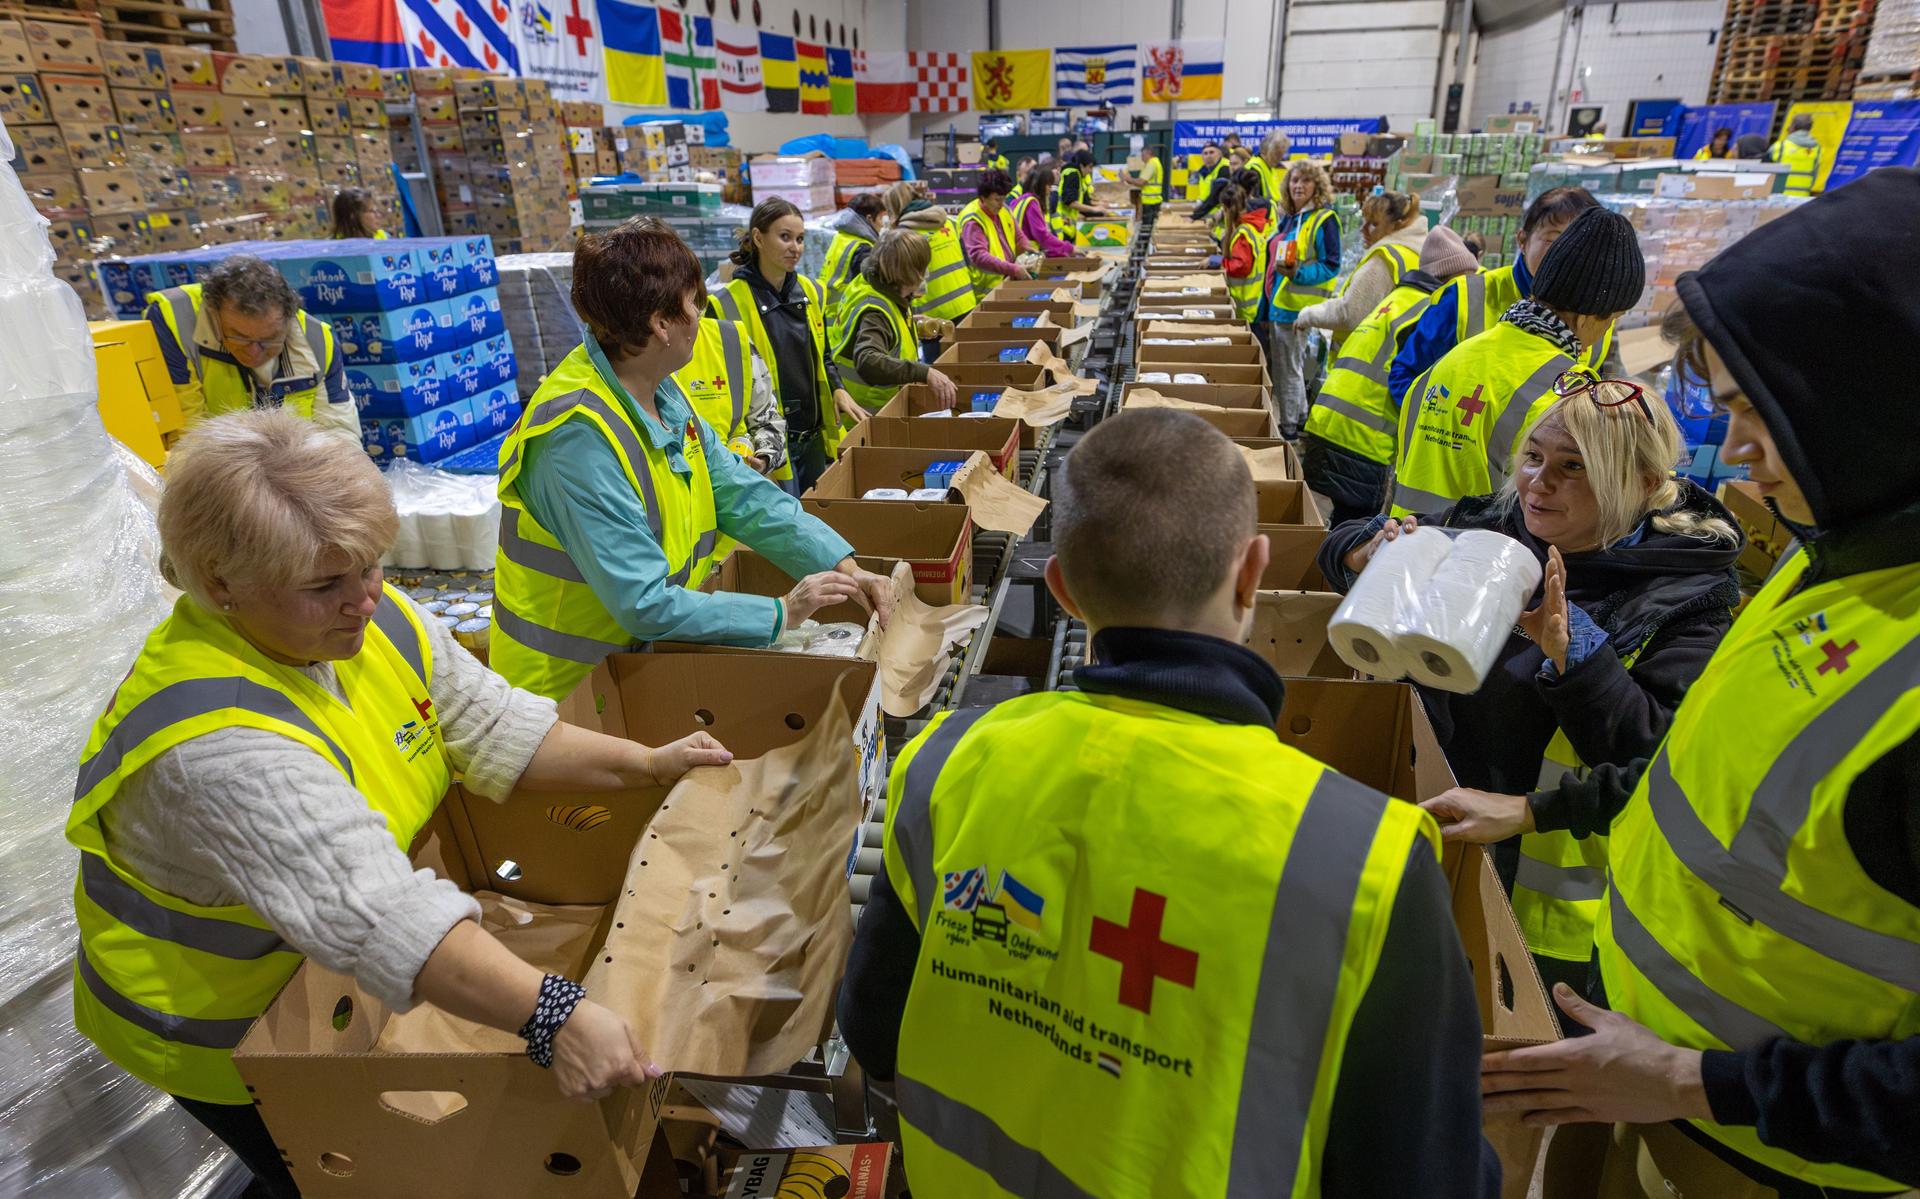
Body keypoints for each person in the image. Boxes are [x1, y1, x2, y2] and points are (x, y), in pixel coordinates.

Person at [70, 411, 737, 1198]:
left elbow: (490, 724)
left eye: (371, 567)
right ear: (222, 585)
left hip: (319, 969)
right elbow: (387, 917)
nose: (366, 598)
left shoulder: (357, 619)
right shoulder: (214, 749)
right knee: (328, 1170)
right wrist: (557, 1013)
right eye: (326, 585)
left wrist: (647, 762)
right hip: (227, 1022)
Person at [839, 408, 1498, 1199]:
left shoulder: (947, 760)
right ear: (1252, 572)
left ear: (1064, 591)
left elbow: (873, 1031)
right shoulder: (1369, 864)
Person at [1423, 167, 1920, 1199]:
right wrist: (1533, 805)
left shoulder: (1710, 586)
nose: (1736, 450)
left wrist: (1701, 1082)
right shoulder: (1833, 558)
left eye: (1763, 415)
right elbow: (1689, 766)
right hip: (1641, 1059)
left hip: (1769, 1147)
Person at [1323, 385, 1740, 999]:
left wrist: (1575, 650)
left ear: (1644, 482)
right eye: (1533, 457)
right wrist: (1360, 549)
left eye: (1574, 467)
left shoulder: (1688, 599)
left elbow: (1653, 755)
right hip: (1437, 820)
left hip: (1546, 895)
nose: (1538, 483)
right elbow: (1356, 549)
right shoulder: (1491, 528)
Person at [494, 218, 893, 702]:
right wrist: (780, 614)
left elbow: (739, 492)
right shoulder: (576, 436)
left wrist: (847, 568)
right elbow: (643, 601)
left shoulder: (657, 390)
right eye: (694, 303)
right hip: (566, 692)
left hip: (637, 666)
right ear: (660, 324)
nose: (702, 318)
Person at [1392, 206, 1645, 518]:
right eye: (1614, 319)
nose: (1608, 330)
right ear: (1590, 316)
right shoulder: (1568, 389)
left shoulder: (1455, 358)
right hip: (1487, 561)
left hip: (1401, 548)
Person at [1301, 226, 1479, 524]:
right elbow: (1406, 384)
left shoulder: (1396, 300)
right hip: (1363, 439)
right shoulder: (1430, 312)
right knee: (1357, 535)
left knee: (1342, 526)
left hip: (1326, 423)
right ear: (1452, 277)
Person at [1389, 186, 1610, 406]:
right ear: (1522, 240)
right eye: (1554, 240)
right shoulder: (1467, 297)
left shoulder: (1600, 319)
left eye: (1582, 244)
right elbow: (1407, 376)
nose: (1568, 253)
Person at [709, 198, 861, 491]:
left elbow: (824, 354)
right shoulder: (724, 304)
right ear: (758, 238)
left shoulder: (813, 292)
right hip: (767, 445)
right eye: (785, 237)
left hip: (813, 438)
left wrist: (838, 388)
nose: (796, 247)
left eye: (800, 239)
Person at [144, 254, 355, 444]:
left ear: (289, 321)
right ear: (214, 315)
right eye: (240, 338)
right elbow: (186, 435)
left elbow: (339, 431)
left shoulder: (317, 339)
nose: (254, 352)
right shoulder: (174, 320)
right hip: (212, 463)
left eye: (270, 340)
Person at [833, 229, 959, 414]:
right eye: (922, 267)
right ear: (909, 273)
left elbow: (884, 331)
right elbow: (867, 360)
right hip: (868, 413)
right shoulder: (875, 311)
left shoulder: (873, 283)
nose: (925, 273)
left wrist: (910, 324)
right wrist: (925, 372)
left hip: (877, 409)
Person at [1263, 158, 1343, 438]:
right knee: (1289, 368)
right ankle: (1299, 422)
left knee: (1288, 371)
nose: (1298, 185)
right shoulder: (1292, 217)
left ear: (1317, 185)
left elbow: (1332, 265)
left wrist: (1298, 274)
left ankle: (1289, 430)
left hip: (1299, 308)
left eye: (1305, 181)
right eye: (1294, 180)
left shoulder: (1324, 219)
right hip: (1280, 304)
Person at [1296, 188, 1429, 340]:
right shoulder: (1414, 252)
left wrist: (1308, 315)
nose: (1363, 229)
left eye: (1374, 224)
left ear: (1397, 225)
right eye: (1364, 221)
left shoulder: (1382, 260)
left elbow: (1350, 314)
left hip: (1366, 355)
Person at [670, 316, 787, 476]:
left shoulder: (731, 338)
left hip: (735, 487)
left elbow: (767, 418)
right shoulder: (632, 352)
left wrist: (764, 458)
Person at [883, 180, 976, 328]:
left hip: (932, 316)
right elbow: (968, 261)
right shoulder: (949, 222)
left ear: (894, 207)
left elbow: (903, 279)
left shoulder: (903, 236)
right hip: (966, 303)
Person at [819, 192, 888, 342]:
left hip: (830, 318)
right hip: (847, 321)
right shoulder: (862, 248)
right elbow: (873, 288)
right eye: (881, 218)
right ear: (870, 218)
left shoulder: (841, 237)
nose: (882, 224)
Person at [956, 169, 1034, 296]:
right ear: (982, 198)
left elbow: (1018, 236)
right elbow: (979, 256)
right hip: (986, 292)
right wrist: (1013, 269)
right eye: (997, 200)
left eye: (1004, 199)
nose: (1001, 204)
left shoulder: (1004, 210)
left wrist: (1029, 249)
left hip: (1006, 282)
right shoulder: (972, 220)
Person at [1217, 183, 1272, 324]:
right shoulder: (1250, 227)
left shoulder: (1244, 233)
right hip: (1253, 300)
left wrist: (1219, 263)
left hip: (1245, 305)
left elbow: (1241, 266)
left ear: (1226, 209)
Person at [1011, 165, 1077, 257]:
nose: (1050, 190)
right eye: (1049, 186)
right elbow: (1042, 236)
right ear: (1041, 185)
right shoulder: (1032, 203)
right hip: (1028, 257)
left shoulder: (1019, 200)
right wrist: (1068, 248)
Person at [1052, 148, 1110, 244]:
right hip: (1062, 226)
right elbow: (1070, 202)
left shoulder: (1078, 175)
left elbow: (1084, 202)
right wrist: (1095, 210)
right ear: (1081, 165)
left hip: (1068, 226)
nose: (1091, 171)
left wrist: (1098, 207)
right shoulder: (1073, 174)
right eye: (1090, 167)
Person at [1769, 112, 1821, 196]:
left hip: (1778, 198)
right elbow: (1814, 174)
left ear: (1792, 127)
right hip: (1803, 198)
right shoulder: (1817, 149)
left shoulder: (1780, 146)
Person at [1123, 141, 1164, 222]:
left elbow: (1141, 182)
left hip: (1151, 201)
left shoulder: (1151, 164)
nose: (1141, 158)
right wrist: (1131, 180)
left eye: (1143, 155)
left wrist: (1128, 179)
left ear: (1149, 153)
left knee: (1148, 224)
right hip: (1152, 200)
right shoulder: (1155, 163)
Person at [1248, 130, 1292, 201]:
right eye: (1277, 154)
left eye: (1281, 155)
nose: (1279, 159)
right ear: (1265, 150)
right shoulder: (1254, 169)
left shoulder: (1270, 167)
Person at [1187, 140, 1226, 207]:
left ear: (1219, 154)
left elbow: (1216, 197)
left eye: (1211, 152)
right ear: (1202, 156)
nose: (1208, 156)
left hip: (1220, 214)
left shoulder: (1225, 167)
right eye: (1205, 153)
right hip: (1207, 213)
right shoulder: (1203, 172)